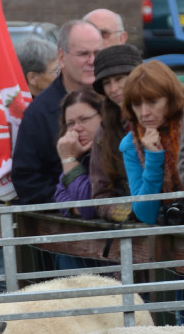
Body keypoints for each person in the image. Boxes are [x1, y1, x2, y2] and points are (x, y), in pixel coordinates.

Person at [12, 20, 103, 204]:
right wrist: (70, 204)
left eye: (97, 53)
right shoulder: (39, 113)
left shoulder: (115, 98)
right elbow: (27, 181)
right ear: (61, 58)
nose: (92, 61)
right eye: (83, 54)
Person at [121, 60, 184, 225]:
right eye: (137, 104)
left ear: (170, 99)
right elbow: (145, 214)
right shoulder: (131, 143)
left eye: (152, 102)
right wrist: (153, 159)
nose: (144, 113)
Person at [89, 44, 142, 221]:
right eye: (107, 83)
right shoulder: (104, 133)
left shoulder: (170, 118)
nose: (113, 88)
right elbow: (101, 195)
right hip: (134, 232)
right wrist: (125, 213)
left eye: (119, 78)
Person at [53, 89, 104, 220]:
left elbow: (88, 206)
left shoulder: (114, 151)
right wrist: (75, 209)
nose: (77, 128)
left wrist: (69, 160)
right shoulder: (77, 153)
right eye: (71, 123)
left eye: (84, 119)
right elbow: (60, 195)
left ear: (103, 117)